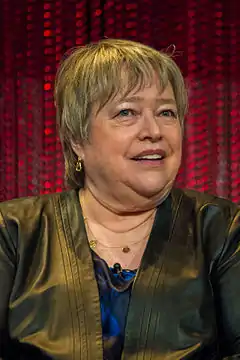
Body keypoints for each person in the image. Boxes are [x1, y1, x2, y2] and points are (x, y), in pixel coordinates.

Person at [0, 38, 239, 360]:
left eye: (167, 112)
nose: (154, 130)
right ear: (77, 139)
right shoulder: (13, 231)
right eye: (127, 112)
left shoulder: (223, 229)